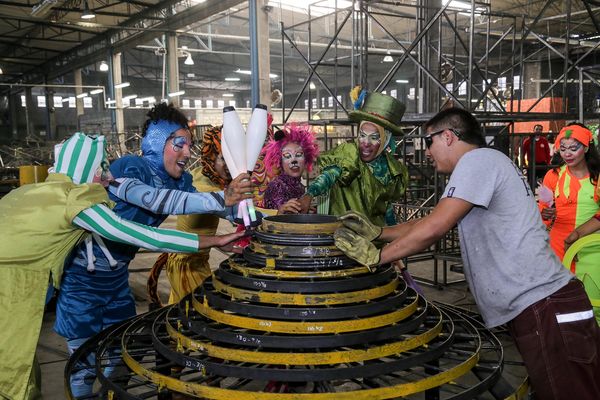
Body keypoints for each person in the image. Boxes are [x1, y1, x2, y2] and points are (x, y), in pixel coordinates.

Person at [334, 107, 600, 400]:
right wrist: (377, 233)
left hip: (546, 306)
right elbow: (428, 220)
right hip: (542, 306)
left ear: (448, 136)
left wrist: (375, 258)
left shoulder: (478, 161)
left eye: (428, 142)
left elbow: (434, 228)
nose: (427, 153)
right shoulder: (485, 164)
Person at [0, 133, 243, 400]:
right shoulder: (76, 200)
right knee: (14, 377)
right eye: (100, 170)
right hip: (13, 291)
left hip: (31, 284)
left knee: (21, 366)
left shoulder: (27, 191)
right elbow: (141, 235)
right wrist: (216, 239)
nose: (105, 178)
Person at [54, 103, 253, 396]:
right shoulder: (128, 170)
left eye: (190, 145)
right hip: (82, 280)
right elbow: (156, 200)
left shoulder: (180, 181)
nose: (187, 152)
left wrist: (265, 217)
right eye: (179, 144)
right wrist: (222, 198)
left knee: (119, 354)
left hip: (117, 277)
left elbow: (221, 210)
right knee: (83, 365)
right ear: (158, 143)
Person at [298, 89, 408, 226]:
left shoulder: (391, 170)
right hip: (343, 237)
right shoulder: (349, 154)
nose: (366, 143)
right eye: (362, 135)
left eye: (374, 138)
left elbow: (386, 207)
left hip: (375, 238)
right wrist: (309, 195)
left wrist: (393, 232)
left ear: (385, 140)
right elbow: (329, 176)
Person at [539, 123, 600, 324]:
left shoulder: (597, 176)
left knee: (593, 303)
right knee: (561, 304)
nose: (568, 154)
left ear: (587, 147)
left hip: (591, 248)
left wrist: (579, 234)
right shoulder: (554, 175)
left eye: (574, 148)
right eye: (563, 148)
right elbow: (542, 212)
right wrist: (546, 212)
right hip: (558, 245)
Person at [262, 124, 319, 214]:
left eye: (299, 155)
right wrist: (281, 211)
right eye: (287, 156)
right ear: (280, 162)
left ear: (306, 159)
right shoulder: (277, 185)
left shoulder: (299, 186)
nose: (294, 160)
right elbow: (271, 219)